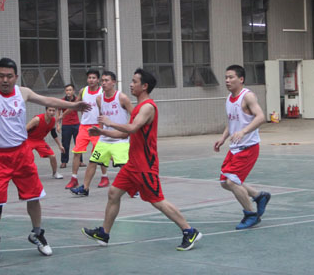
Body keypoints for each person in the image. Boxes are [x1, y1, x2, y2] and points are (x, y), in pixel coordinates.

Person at [0, 19, 90, 263]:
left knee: (33, 197)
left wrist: (73, 105)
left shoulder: (22, 92)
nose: (5, 80)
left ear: (16, 76)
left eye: (9, 76)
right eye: (1, 76)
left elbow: (48, 100)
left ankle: (37, 233)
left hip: (21, 153)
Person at [82, 68, 202, 251]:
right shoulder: (138, 107)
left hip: (145, 164)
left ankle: (189, 231)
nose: (131, 84)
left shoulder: (147, 107)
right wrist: (102, 132)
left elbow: (132, 128)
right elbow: (125, 134)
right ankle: (104, 233)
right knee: (113, 193)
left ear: (144, 86)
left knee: (157, 200)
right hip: (133, 163)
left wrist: (109, 122)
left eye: (134, 81)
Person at [214, 65, 271, 230]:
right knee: (224, 182)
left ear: (241, 79)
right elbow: (232, 121)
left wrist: (244, 131)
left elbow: (261, 117)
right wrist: (223, 138)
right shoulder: (229, 98)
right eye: (226, 77)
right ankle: (259, 196)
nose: (227, 80)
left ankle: (251, 214)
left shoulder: (248, 96)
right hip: (234, 148)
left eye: (231, 77)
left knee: (232, 182)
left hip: (248, 147)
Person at [71, 71, 133, 197]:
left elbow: (135, 115)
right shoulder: (99, 99)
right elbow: (101, 116)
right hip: (104, 139)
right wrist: (99, 131)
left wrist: (128, 130)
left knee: (124, 165)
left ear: (113, 82)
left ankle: (134, 187)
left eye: (107, 80)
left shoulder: (122, 98)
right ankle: (85, 188)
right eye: (103, 80)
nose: (104, 83)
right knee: (92, 161)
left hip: (119, 140)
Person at [65, 70, 108, 190]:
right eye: (89, 77)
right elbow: (74, 105)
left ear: (98, 80)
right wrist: (62, 115)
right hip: (84, 126)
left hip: (97, 127)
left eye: (94, 78)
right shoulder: (83, 91)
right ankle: (74, 178)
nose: (91, 80)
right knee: (77, 152)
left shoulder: (102, 91)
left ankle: (104, 177)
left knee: (99, 153)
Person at [26, 107, 65, 179]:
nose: (51, 112)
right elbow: (24, 130)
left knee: (52, 156)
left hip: (40, 141)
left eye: (53, 111)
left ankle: (55, 173)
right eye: (50, 110)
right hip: (29, 140)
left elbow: (53, 133)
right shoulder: (37, 119)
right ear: (46, 111)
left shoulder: (53, 120)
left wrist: (60, 145)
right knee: (26, 157)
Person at [56, 84, 81, 169]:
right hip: (66, 125)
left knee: (78, 143)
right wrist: (58, 125)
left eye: (70, 90)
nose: (68, 92)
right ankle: (64, 161)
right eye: (67, 90)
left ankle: (80, 161)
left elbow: (82, 110)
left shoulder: (77, 100)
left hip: (76, 124)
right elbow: (58, 113)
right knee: (65, 144)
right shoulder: (62, 101)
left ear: (73, 91)